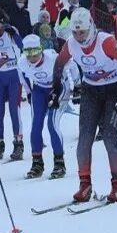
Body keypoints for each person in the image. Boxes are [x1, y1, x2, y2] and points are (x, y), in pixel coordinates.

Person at [50, 7, 117, 203]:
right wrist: (55, 91)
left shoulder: (105, 42)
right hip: (91, 91)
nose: (79, 37)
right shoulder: (71, 44)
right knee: (84, 138)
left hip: (114, 90)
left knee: (109, 137)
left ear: (90, 27)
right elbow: (58, 66)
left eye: (82, 32)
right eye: (75, 32)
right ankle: (84, 184)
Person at [18, 34, 78, 180]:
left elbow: (73, 65)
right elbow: (23, 78)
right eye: (28, 53)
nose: (32, 57)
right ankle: (37, 163)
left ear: (41, 49)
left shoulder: (52, 58)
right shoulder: (22, 62)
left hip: (59, 89)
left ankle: (59, 163)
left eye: (35, 52)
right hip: (39, 90)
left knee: (52, 123)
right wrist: (29, 93)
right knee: (36, 124)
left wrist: (77, 86)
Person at [0, 8, 24, 161]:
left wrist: (14, 34)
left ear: (2, 23)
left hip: (13, 75)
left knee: (14, 111)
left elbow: (22, 46)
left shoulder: (10, 32)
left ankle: (18, 143)